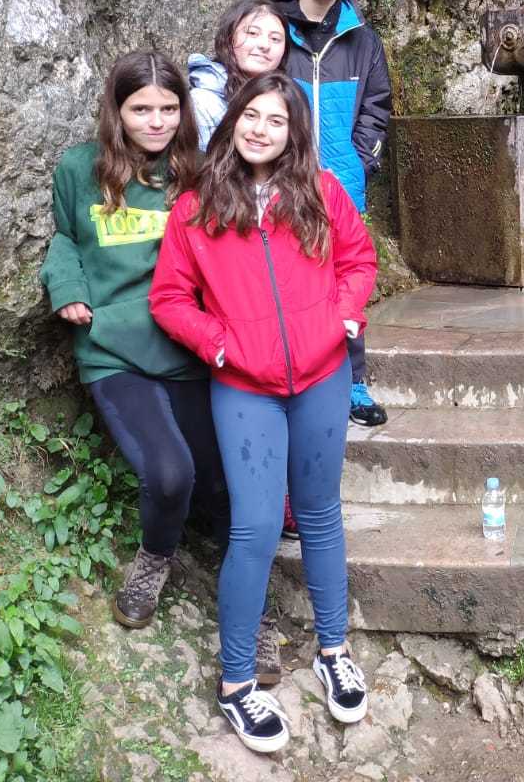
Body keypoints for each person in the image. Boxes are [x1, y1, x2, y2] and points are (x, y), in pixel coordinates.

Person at [150, 73, 377, 753]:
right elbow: (169, 299)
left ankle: (334, 650)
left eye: (277, 121)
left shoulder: (321, 192)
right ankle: (237, 683)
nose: (261, 130)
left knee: (320, 513)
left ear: (292, 133)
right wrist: (218, 344)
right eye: (252, 116)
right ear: (233, 121)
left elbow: (358, 261)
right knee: (254, 527)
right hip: (244, 385)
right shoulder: (196, 209)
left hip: (322, 376)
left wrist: (343, 317)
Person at [38, 50, 226, 630]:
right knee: (170, 474)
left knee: (224, 479)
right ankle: (154, 559)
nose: (156, 121)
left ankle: (249, 596)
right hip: (113, 347)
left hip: (187, 345)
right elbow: (65, 237)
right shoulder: (80, 168)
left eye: (169, 108)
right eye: (141, 109)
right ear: (116, 110)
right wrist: (67, 286)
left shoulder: (200, 172)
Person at [266, 0, 392, 428]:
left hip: (342, 183)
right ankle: (285, 377)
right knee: (282, 278)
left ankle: (353, 381)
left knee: (346, 282)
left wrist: (359, 161)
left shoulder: (362, 40)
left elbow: (377, 106)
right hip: (280, 179)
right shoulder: (274, 28)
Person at [188, 0, 290, 151]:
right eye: (253, 33)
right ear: (229, 38)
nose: (265, 45)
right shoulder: (203, 101)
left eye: (275, 39)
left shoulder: (287, 98)